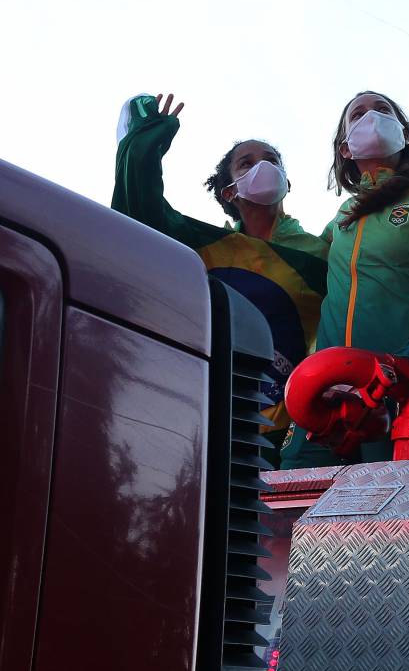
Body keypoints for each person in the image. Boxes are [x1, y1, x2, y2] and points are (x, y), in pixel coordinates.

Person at [112, 93, 328, 442]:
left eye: (271, 160)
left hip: (288, 430)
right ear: (228, 192)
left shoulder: (321, 254)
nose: (263, 166)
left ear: (286, 182)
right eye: (247, 163)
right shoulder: (202, 246)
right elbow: (139, 210)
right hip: (200, 414)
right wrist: (146, 138)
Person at [283, 91, 409, 467]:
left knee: (387, 503)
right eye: (358, 114)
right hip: (326, 390)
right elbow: (289, 258)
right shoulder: (342, 218)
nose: (372, 116)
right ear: (345, 149)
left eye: (383, 110)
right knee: (295, 501)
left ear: (403, 134)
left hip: (396, 383)